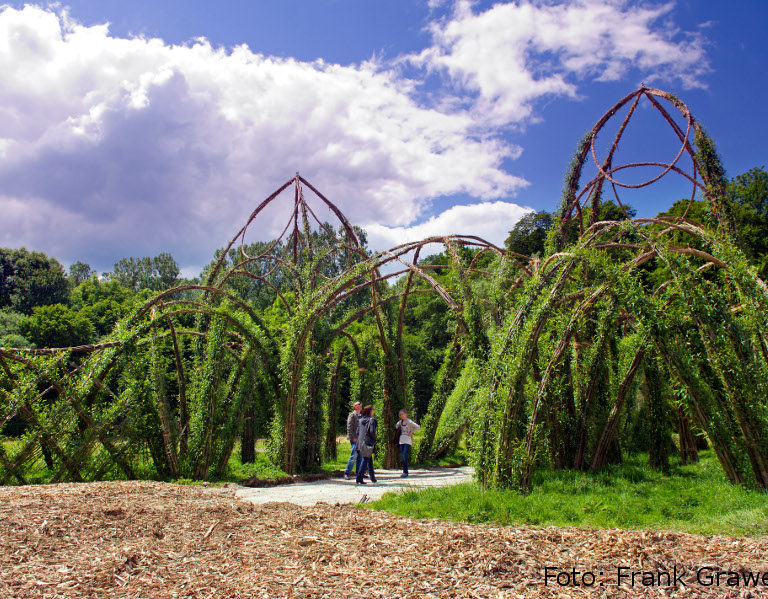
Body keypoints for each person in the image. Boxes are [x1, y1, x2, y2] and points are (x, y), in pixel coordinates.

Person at [355, 405, 377, 485]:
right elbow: (372, 431)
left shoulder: (360, 420)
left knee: (369, 459)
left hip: (360, 443)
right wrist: (374, 440)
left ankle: (372, 478)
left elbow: (357, 432)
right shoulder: (372, 420)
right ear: (370, 411)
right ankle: (359, 478)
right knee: (365, 459)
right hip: (368, 443)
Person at [396, 409, 420, 478]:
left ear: (406, 414)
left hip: (408, 439)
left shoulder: (409, 422)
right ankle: (404, 471)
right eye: (400, 415)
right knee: (402, 456)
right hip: (401, 439)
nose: (402, 416)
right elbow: (396, 426)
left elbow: (417, 427)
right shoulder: (400, 422)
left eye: (403, 414)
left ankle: (406, 472)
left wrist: (411, 432)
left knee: (404, 455)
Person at [344, 402, 362, 480]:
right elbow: (349, 427)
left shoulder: (362, 416)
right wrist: (353, 437)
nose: (360, 405)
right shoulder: (352, 415)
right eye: (358, 404)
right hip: (355, 439)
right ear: (354, 406)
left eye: (360, 404)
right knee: (353, 456)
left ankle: (359, 473)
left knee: (360, 457)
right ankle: (347, 473)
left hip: (361, 439)